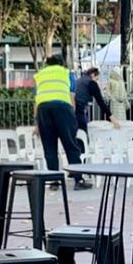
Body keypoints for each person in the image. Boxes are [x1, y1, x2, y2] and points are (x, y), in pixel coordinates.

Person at [33, 54, 92, 188]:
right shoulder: (67, 73)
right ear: (62, 63)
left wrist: (36, 123)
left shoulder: (40, 75)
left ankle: (54, 181)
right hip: (63, 109)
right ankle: (78, 180)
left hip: (43, 110)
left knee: (49, 147)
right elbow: (72, 98)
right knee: (71, 145)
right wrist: (73, 117)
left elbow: (36, 101)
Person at [74, 66, 115, 133]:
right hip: (78, 108)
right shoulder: (91, 83)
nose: (97, 81)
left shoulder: (81, 79)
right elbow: (100, 102)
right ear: (93, 75)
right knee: (83, 132)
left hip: (72, 108)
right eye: (97, 78)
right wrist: (112, 118)